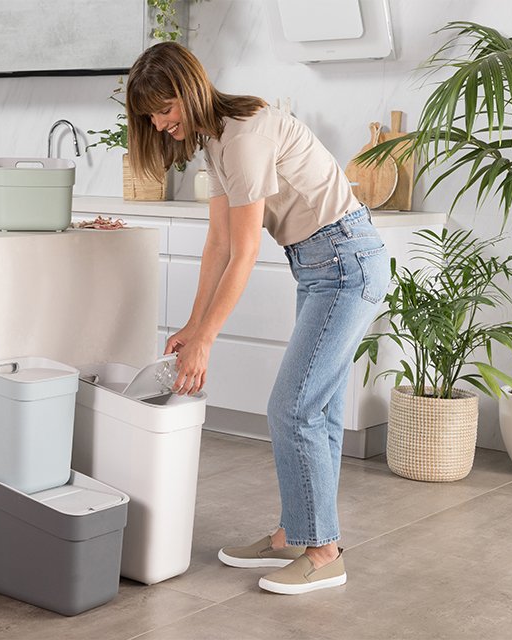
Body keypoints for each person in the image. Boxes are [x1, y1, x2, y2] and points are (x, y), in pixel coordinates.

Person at [125, 42, 390, 595]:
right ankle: (299, 532)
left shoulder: (244, 138)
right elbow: (217, 244)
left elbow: (245, 253)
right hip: (323, 268)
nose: (160, 122)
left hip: (345, 264)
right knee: (310, 409)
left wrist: (207, 342)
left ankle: (322, 554)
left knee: (292, 407)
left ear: (190, 91)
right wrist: (193, 326)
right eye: (150, 114)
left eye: (165, 107)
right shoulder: (218, 142)